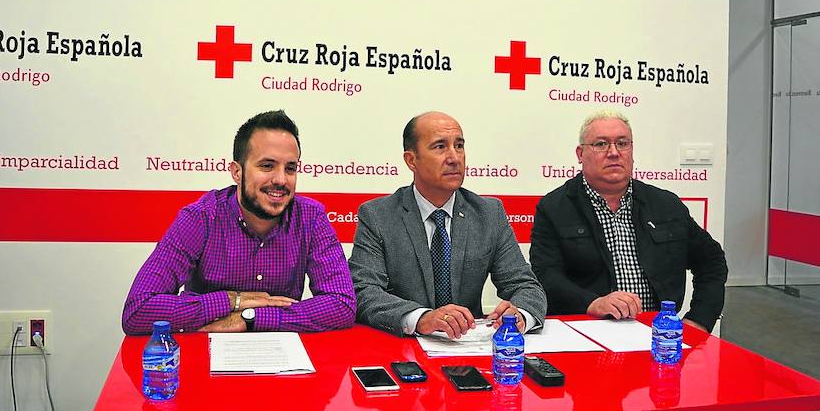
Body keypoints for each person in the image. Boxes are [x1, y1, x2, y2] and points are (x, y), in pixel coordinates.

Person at [529, 109, 745, 411]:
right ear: (580, 154)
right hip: (588, 345)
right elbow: (546, 275)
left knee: (728, 406)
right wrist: (593, 302)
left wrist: (699, 322)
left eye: (622, 143)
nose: (614, 152)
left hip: (661, 340)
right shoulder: (555, 207)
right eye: (601, 144)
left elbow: (712, 261)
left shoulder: (665, 204)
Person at [122, 110, 356, 335]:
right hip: (205, 349)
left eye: (290, 168)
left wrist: (250, 318)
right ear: (236, 172)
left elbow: (342, 304)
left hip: (283, 353)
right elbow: (139, 309)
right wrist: (231, 300)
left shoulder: (310, 217)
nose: (281, 179)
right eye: (267, 166)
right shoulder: (201, 217)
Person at [349, 111, 546, 338]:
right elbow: (363, 291)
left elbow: (526, 286)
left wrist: (520, 314)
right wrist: (421, 318)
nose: (454, 158)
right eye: (440, 147)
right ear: (411, 160)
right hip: (403, 346)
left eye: (459, 146)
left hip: (469, 344)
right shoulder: (378, 216)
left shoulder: (489, 213)